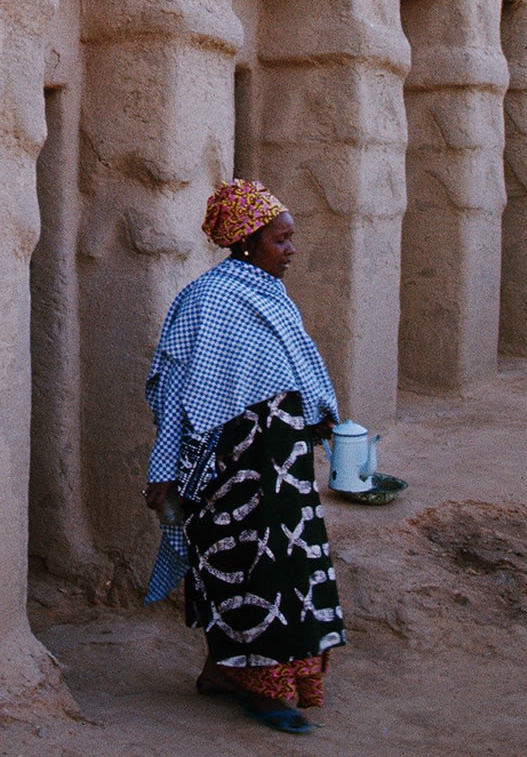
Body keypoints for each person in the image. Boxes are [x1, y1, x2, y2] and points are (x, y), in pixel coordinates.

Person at [143, 178, 345, 735]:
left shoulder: (270, 294)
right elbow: (177, 392)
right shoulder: (206, 300)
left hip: (284, 467)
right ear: (247, 240)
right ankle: (254, 685)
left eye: (291, 238)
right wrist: (164, 469)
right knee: (247, 572)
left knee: (294, 569)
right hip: (231, 470)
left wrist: (323, 418)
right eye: (280, 239)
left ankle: (226, 673)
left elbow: (297, 369)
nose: (291, 250)